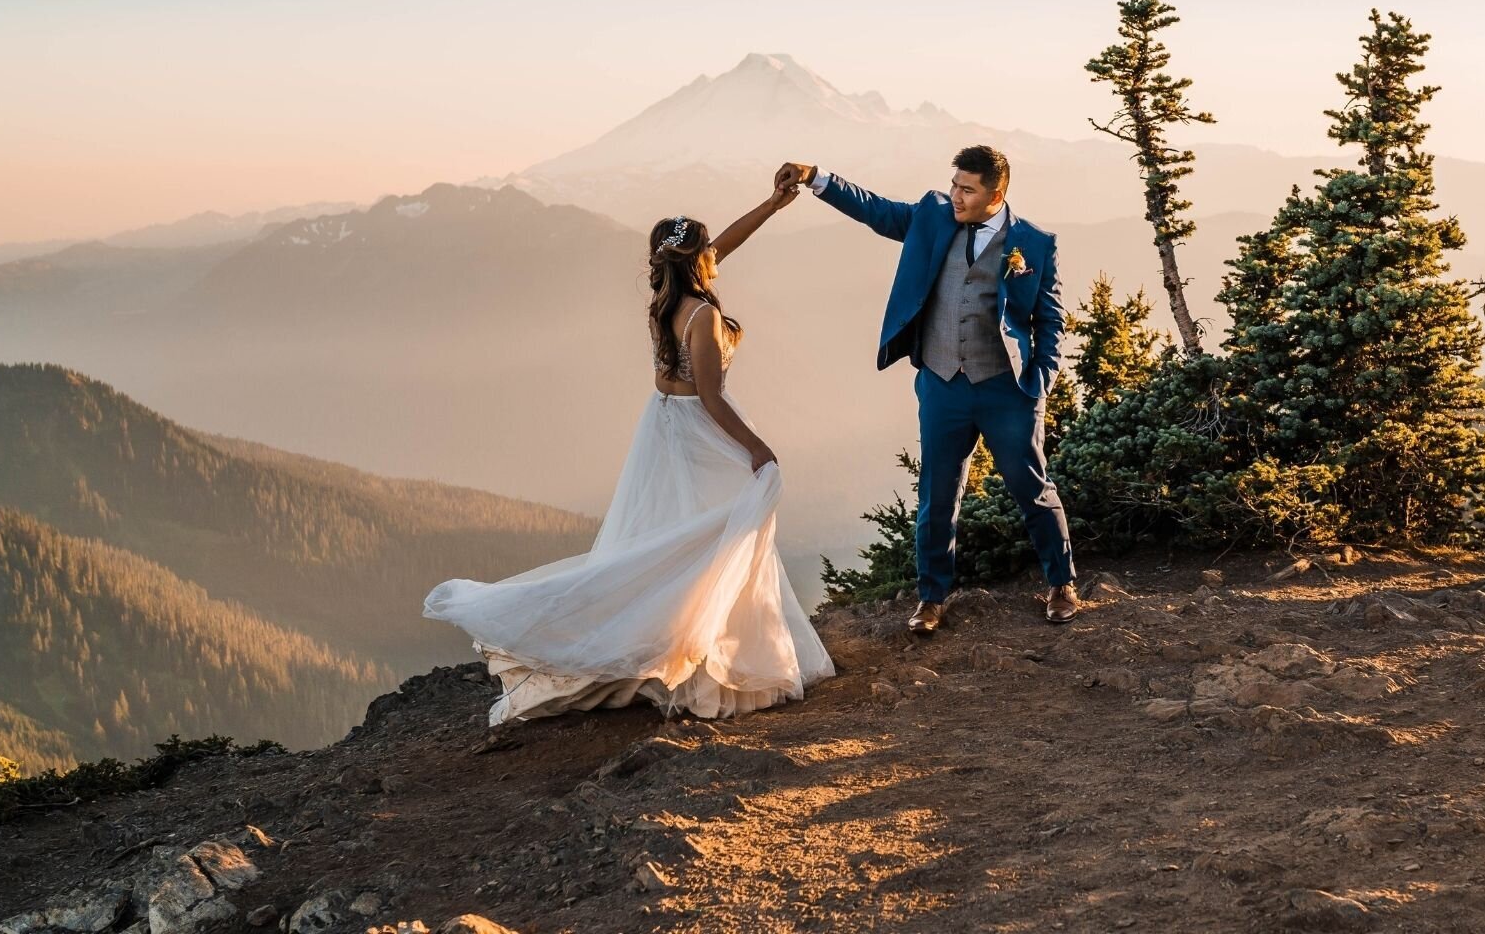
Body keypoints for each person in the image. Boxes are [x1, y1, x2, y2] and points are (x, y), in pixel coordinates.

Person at [423, 182, 835, 722]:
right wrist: (759, 448)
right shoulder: (703, 317)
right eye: (708, 254)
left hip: (662, 426)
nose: (716, 259)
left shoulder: (665, 301)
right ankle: (705, 646)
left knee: (670, 535)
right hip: (697, 430)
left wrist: (772, 206)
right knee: (719, 533)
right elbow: (711, 396)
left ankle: (678, 635)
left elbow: (718, 250)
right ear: (699, 262)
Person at [775, 145, 1078, 633]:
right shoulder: (933, 216)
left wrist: (1040, 381)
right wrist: (817, 178)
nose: (955, 194)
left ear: (995, 194)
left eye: (967, 189)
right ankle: (931, 598)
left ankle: (1061, 584)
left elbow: (1050, 318)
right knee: (937, 496)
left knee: (1031, 488)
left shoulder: (1035, 244)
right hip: (941, 384)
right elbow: (876, 210)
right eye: (954, 183)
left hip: (1006, 388)